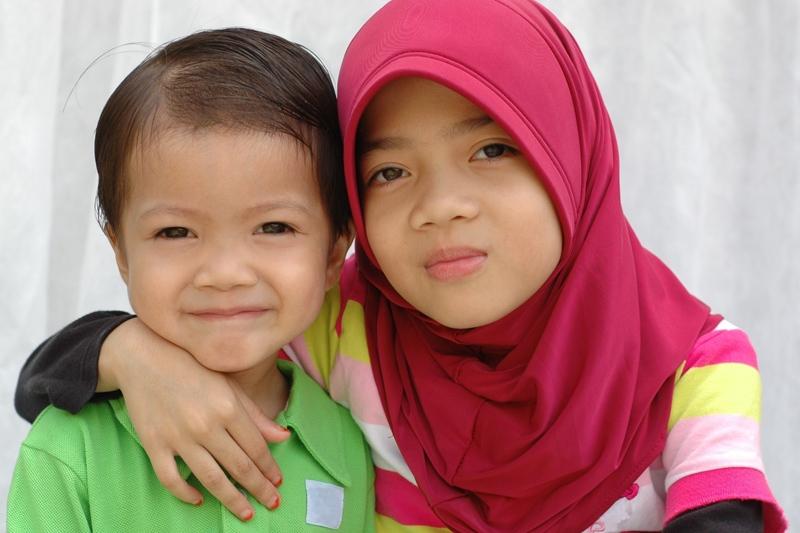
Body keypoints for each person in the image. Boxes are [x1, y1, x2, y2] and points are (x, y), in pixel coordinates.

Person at [14, 1, 787, 531]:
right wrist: (137, 358)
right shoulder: (348, 330)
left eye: (493, 148)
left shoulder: (696, 364)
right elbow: (63, 372)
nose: (442, 206)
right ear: (349, 227)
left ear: (571, 153)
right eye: (390, 172)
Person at [7, 28, 375, 533]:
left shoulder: (349, 448)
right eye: (175, 231)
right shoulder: (69, 450)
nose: (224, 274)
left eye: (274, 227)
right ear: (121, 253)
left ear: (335, 252)